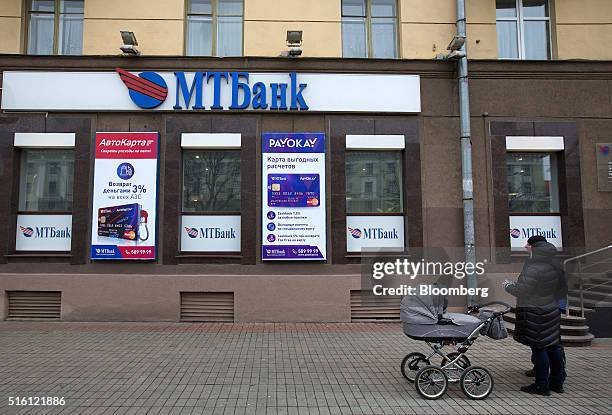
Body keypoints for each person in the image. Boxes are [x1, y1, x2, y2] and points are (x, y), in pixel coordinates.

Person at [503, 235, 567, 396]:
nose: (525, 247)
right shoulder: (556, 265)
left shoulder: (534, 267)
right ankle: (557, 382)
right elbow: (563, 289)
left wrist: (508, 286)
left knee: (539, 348)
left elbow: (522, 290)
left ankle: (541, 385)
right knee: (554, 347)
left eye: (528, 245)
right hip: (551, 310)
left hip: (535, 312)